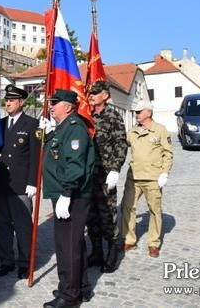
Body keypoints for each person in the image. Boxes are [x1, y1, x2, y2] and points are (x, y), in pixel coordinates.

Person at [41, 89, 95, 308]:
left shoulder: (74, 128)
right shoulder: (63, 128)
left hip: (72, 195)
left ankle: (69, 295)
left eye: (55, 103)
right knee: (74, 243)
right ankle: (80, 287)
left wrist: (66, 193)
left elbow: (75, 164)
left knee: (68, 245)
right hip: (66, 193)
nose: (51, 106)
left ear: (69, 107)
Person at [0, 85, 39, 280]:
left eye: (12, 100)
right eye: (6, 100)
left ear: (21, 102)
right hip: (1, 184)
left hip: (21, 184)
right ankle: (6, 261)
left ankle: (25, 262)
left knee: (22, 226)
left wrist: (33, 182)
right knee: (2, 226)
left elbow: (37, 156)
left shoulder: (32, 124)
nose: (8, 103)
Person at [121, 100, 173, 258]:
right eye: (135, 112)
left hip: (152, 178)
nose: (136, 114)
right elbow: (121, 145)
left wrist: (164, 173)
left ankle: (153, 243)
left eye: (139, 112)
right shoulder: (133, 131)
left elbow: (168, 153)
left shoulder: (160, 130)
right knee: (127, 208)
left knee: (154, 211)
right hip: (134, 177)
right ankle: (129, 239)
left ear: (148, 113)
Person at [85, 81, 128, 273]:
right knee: (91, 216)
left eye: (95, 93)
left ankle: (112, 254)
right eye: (90, 93)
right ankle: (96, 252)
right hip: (88, 174)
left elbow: (121, 143)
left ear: (105, 95)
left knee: (107, 215)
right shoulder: (87, 116)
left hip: (106, 175)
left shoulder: (113, 116)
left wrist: (115, 169)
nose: (91, 96)